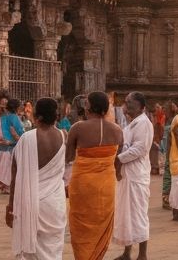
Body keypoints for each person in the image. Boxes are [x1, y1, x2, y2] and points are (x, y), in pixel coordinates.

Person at [66, 89, 123, 260]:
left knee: (80, 227)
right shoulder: (117, 130)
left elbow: (68, 157)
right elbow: (118, 161)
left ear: (88, 107)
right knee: (101, 224)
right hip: (106, 185)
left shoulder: (77, 128)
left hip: (82, 184)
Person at [7, 97, 65, 260]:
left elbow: (15, 175)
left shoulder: (27, 138)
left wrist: (11, 206)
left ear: (37, 117)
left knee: (31, 253)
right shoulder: (63, 135)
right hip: (54, 204)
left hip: (31, 202)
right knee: (53, 249)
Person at [113, 91, 152, 260]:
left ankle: (142, 254)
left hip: (137, 175)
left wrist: (119, 159)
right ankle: (127, 252)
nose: (127, 105)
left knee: (138, 215)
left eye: (131, 103)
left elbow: (140, 149)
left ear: (141, 107)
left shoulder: (144, 123)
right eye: (126, 102)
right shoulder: (130, 125)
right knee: (126, 215)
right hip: (127, 175)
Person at [0, 99, 25, 191]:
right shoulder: (14, 118)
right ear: (17, 108)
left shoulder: (3, 118)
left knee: (2, 171)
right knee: (10, 172)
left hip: (2, 148)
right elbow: (21, 134)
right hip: (11, 148)